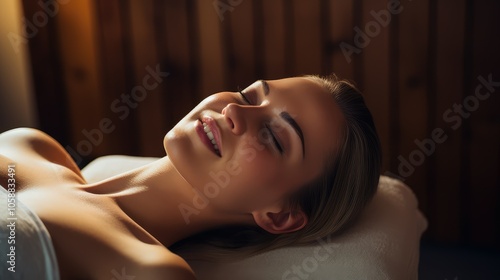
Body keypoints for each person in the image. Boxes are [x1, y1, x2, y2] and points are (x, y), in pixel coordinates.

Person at [0, 74, 381, 279]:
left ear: (278, 215)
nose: (233, 110)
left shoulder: (145, 269)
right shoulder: (30, 147)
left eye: (275, 137)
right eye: (249, 96)